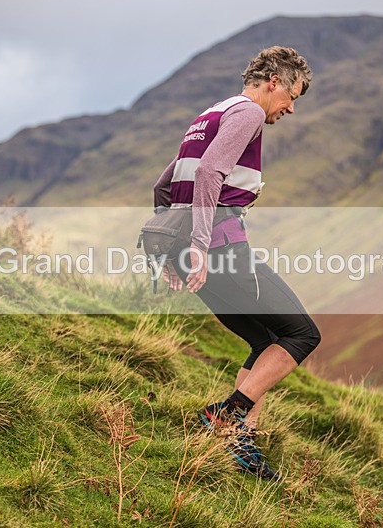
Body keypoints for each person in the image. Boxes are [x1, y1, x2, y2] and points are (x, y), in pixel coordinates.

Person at [152, 46, 321, 481]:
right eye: (292, 97)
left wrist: (172, 253)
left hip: (192, 249)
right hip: (220, 250)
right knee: (302, 333)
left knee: (266, 339)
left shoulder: (211, 114)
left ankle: (236, 444)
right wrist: (200, 247)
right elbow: (209, 174)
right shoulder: (246, 113)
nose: (290, 109)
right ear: (274, 84)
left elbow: (164, 184)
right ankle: (226, 418)